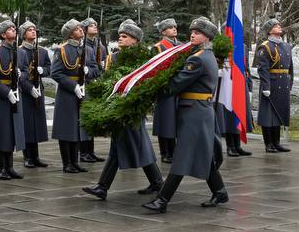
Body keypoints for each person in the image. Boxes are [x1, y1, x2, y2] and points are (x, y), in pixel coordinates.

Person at [142, 17, 229, 212]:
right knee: (202, 153)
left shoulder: (197, 59)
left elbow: (176, 84)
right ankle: (220, 191)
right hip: (199, 110)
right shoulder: (206, 55)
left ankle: (162, 200)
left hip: (194, 112)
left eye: (197, 32)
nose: (192, 34)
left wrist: (152, 89)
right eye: (192, 31)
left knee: (183, 155)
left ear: (206, 37)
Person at [83, 20, 164, 200]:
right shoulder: (115, 57)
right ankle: (104, 187)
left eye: (125, 36)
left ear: (135, 40)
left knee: (135, 144)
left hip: (132, 108)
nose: (120, 38)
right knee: (123, 146)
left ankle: (104, 187)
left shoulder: (142, 58)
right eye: (120, 35)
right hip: (118, 107)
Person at [51, 18, 100, 173]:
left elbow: (96, 69)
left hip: (83, 91)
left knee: (77, 128)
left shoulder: (88, 50)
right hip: (67, 94)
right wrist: (73, 86)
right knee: (66, 128)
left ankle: (75, 161)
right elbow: (56, 73)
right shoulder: (62, 50)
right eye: (77, 28)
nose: (81, 30)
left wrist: (88, 72)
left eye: (81, 28)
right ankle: (67, 163)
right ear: (71, 34)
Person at [0, 20, 27, 180]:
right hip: (2, 97)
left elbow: (26, 71)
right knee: (1, 132)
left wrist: (22, 75)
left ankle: (10, 167)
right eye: (10, 29)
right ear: (3, 34)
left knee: (12, 132)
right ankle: (0, 168)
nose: (14, 30)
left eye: (14, 28)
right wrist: (5, 91)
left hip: (16, 93)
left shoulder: (20, 52)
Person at [253, 18, 293, 153]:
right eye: (276, 26)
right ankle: (268, 144)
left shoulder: (286, 46)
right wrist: (266, 87)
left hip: (283, 84)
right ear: (270, 30)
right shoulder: (265, 47)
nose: (279, 27)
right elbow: (263, 69)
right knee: (268, 115)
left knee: (278, 114)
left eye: (279, 25)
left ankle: (277, 143)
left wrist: (290, 83)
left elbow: (290, 68)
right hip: (271, 83)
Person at [18, 21, 51, 168]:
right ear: (23, 34)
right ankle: (27, 157)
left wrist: (43, 70)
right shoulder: (19, 51)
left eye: (34, 30)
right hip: (25, 90)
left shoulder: (42, 51)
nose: (33, 32)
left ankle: (35, 156)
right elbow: (18, 75)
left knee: (36, 124)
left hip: (39, 89)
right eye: (29, 30)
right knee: (27, 124)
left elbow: (49, 67)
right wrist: (29, 88)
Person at [78, 18, 107, 163]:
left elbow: (103, 62)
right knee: (84, 119)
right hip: (85, 84)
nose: (95, 27)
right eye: (91, 25)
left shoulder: (100, 45)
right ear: (84, 29)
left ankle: (90, 151)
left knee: (92, 118)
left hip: (96, 82)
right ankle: (83, 152)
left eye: (96, 25)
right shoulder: (83, 45)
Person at [152, 18, 180, 162]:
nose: (174, 29)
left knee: (175, 120)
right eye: (170, 27)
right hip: (165, 87)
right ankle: (165, 153)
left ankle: (174, 151)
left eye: (175, 27)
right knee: (165, 121)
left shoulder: (181, 46)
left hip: (179, 87)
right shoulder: (158, 47)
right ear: (163, 32)